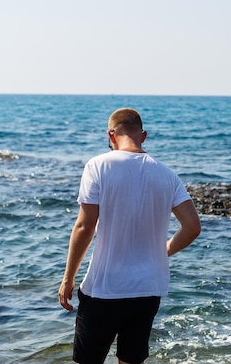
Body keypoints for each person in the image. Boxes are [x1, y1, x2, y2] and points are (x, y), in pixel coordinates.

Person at [59, 108, 201, 364]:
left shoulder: (98, 165)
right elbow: (192, 227)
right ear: (143, 135)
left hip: (104, 289)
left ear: (111, 135)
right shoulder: (168, 175)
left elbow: (84, 227)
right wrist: (164, 250)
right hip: (147, 290)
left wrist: (68, 278)